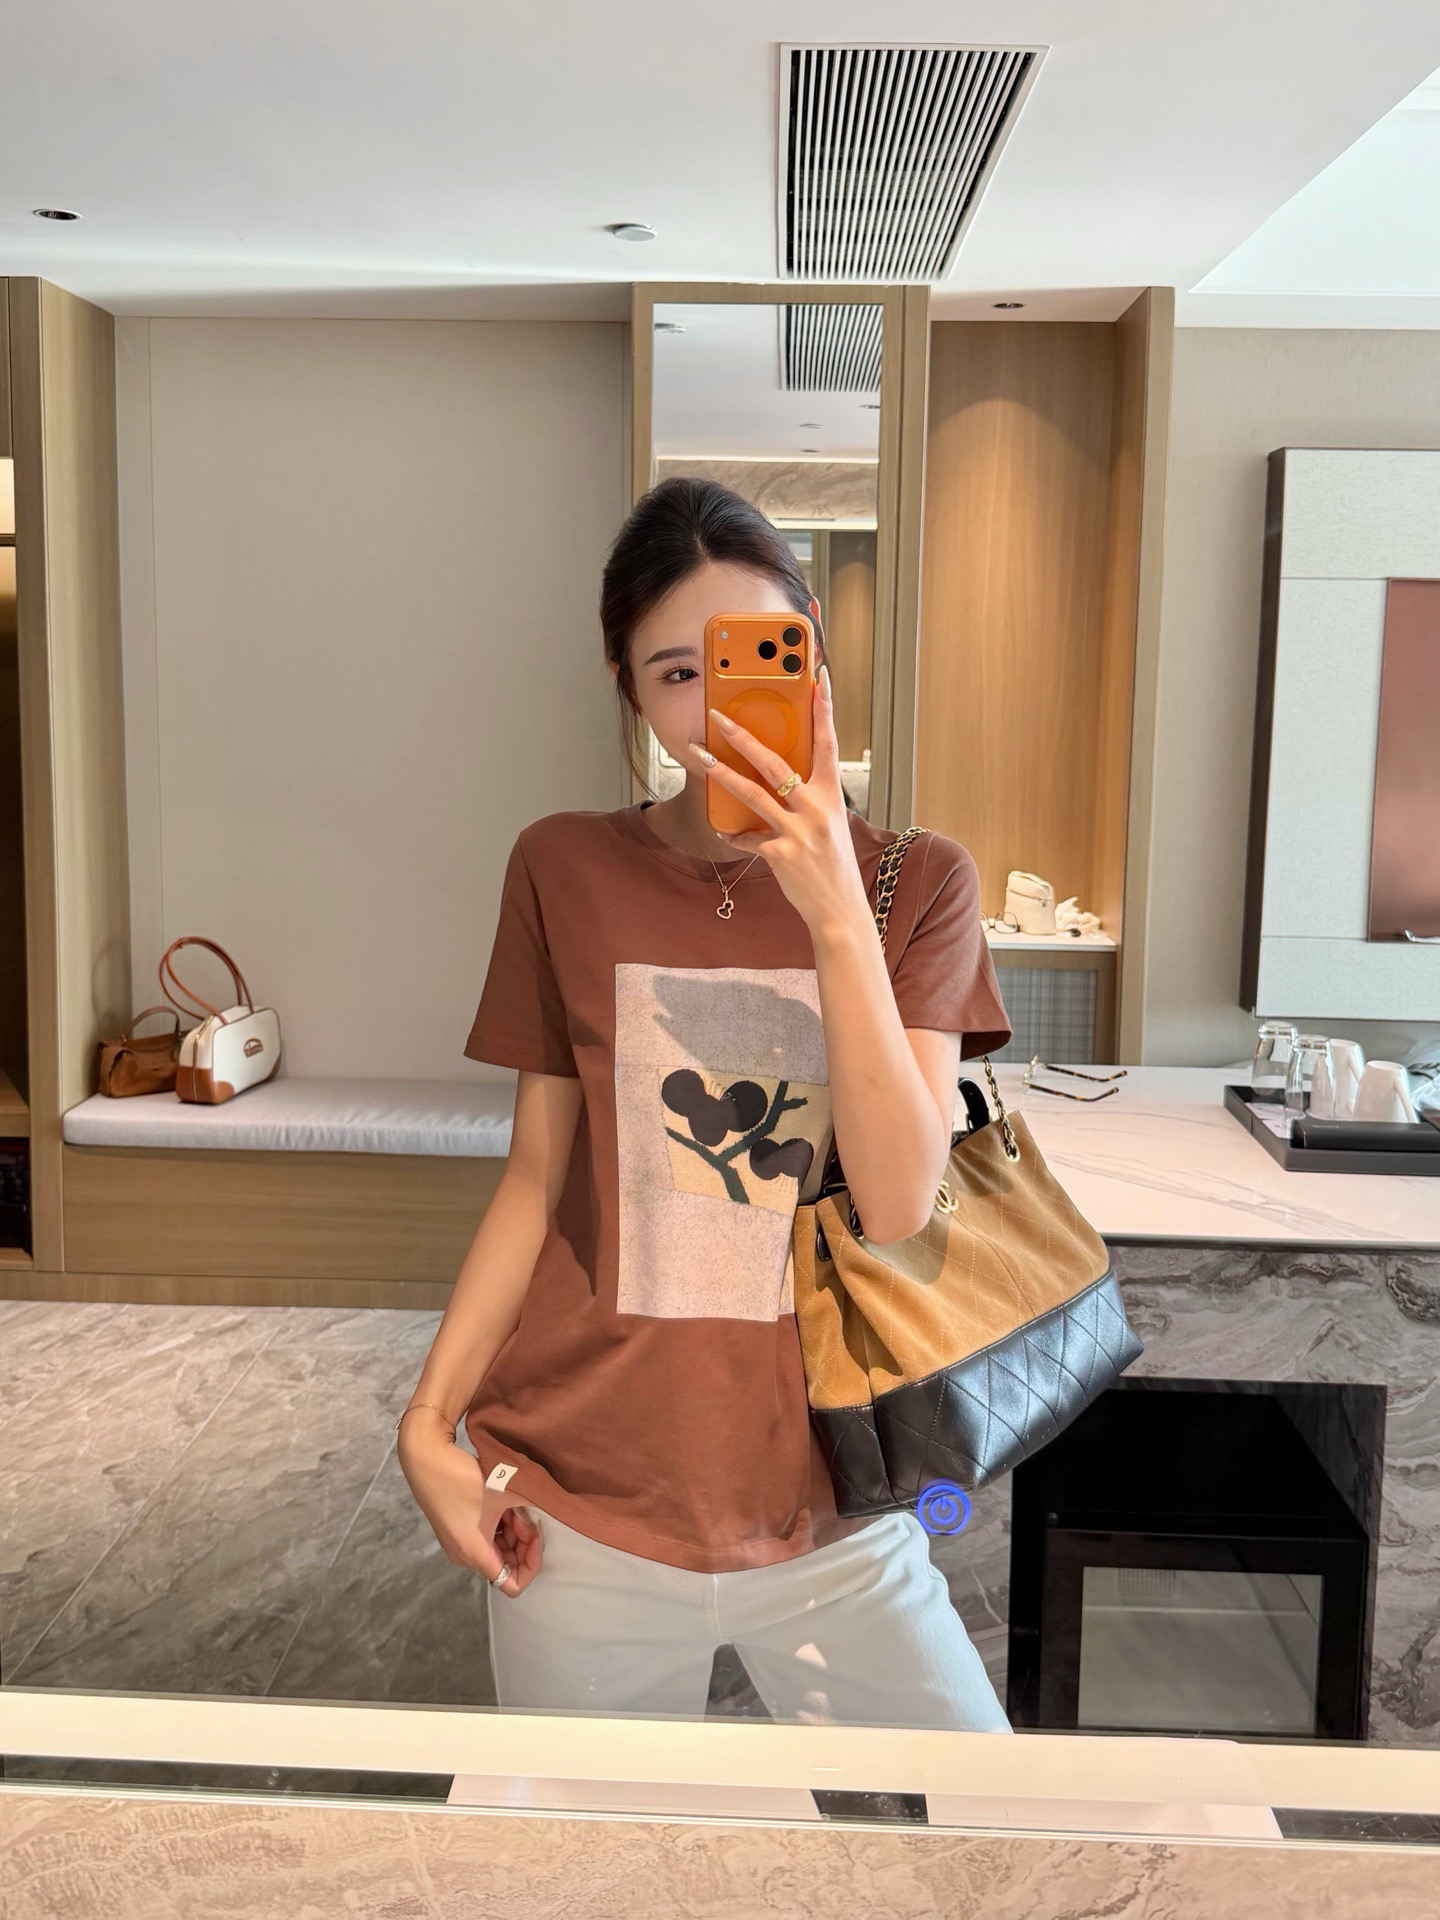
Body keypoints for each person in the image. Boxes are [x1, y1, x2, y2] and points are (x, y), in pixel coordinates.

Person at [397, 476, 1015, 1732]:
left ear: (814, 656)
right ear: (627, 689)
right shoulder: (562, 866)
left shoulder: (920, 883)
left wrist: (832, 909)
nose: (720, 706)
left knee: (978, 1816)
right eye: (677, 673)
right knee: (592, 1837)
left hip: (838, 1499)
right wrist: (425, 1422)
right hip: (582, 1501)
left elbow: (901, 1201)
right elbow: (536, 1180)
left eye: (754, 657)